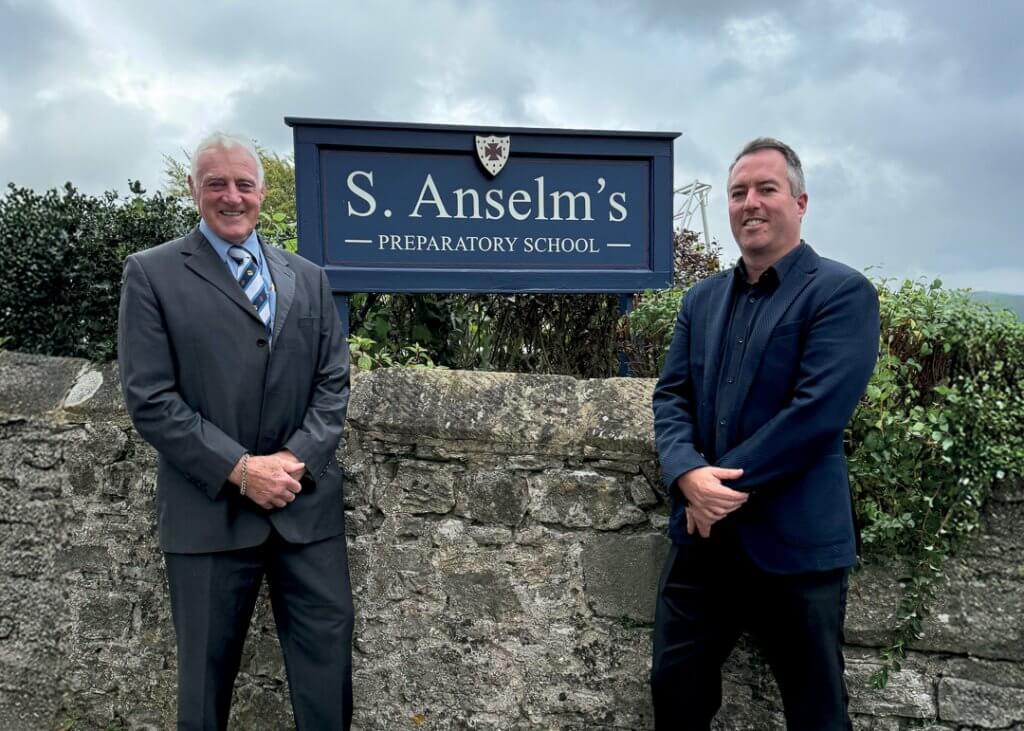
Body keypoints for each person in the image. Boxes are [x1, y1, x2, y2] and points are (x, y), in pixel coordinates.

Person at [118, 132, 353, 729]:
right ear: (194, 189)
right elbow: (150, 398)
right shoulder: (151, 275)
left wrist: (292, 463)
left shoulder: (310, 278)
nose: (231, 196)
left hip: (305, 513)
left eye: (243, 184)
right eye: (216, 183)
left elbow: (333, 385)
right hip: (209, 516)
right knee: (203, 693)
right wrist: (241, 470)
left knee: (328, 688)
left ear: (262, 192)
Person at [650, 138, 879, 730]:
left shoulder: (841, 293)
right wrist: (684, 472)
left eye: (766, 189)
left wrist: (712, 491)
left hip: (796, 546)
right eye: (738, 192)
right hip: (704, 548)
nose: (750, 203)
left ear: (800, 203)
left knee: (816, 711)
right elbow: (671, 396)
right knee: (675, 693)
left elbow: (816, 415)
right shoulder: (699, 300)